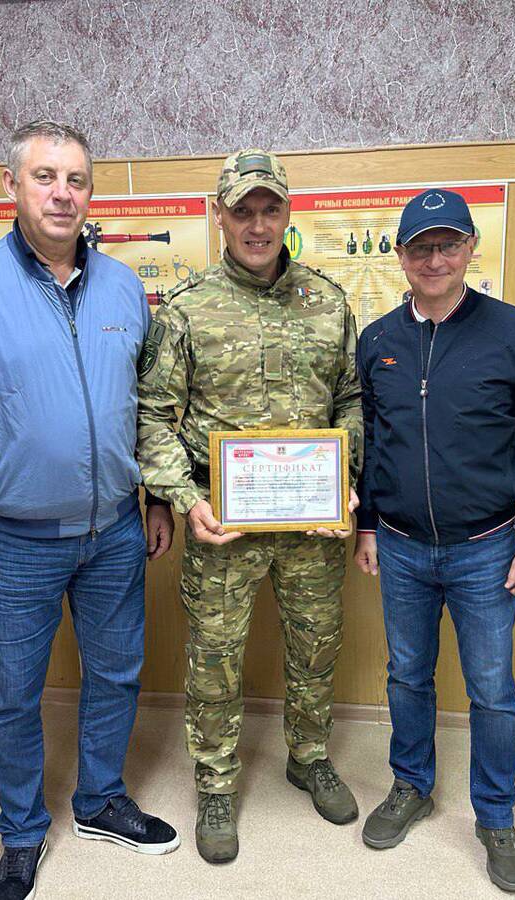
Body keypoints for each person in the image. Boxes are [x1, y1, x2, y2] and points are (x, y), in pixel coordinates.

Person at [0, 120, 180, 900]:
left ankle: (99, 801)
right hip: (12, 541)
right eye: (46, 176)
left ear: (92, 193)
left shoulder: (123, 288)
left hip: (116, 531)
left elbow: (148, 409)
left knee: (117, 674)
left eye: (77, 179)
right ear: (12, 185)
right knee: (12, 699)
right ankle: (22, 831)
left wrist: (157, 498)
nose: (63, 193)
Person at [136, 149, 363, 864]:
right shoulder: (186, 309)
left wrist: (347, 478)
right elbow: (152, 415)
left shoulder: (329, 302)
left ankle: (310, 755)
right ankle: (215, 782)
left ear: (287, 213)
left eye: (270, 209)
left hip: (313, 521)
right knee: (214, 658)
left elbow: (353, 400)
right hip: (222, 522)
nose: (257, 225)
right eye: (243, 211)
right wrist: (183, 498)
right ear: (220, 217)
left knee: (316, 645)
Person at [353, 188, 515, 892]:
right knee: (407, 675)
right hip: (401, 546)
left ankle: (495, 816)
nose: (435, 259)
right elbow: (372, 445)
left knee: (492, 689)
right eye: (421, 247)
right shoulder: (377, 341)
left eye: (448, 244)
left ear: (471, 248)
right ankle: (411, 785)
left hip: (487, 548)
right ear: (400, 256)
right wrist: (367, 526)